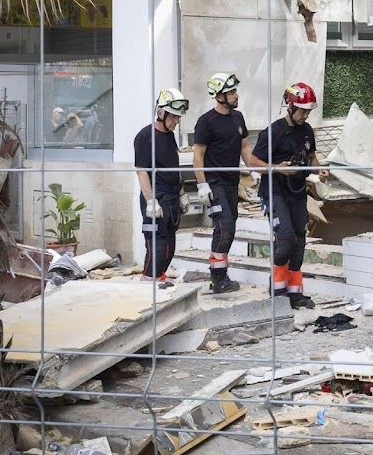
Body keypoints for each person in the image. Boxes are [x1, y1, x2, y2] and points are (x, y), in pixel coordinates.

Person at [252, 82, 329, 310]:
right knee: (285, 238)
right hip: (274, 191)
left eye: (308, 111)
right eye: (302, 110)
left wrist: (319, 169)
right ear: (290, 106)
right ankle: (277, 293)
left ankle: (295, 295)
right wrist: (278, 168)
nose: (306, 115)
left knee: (299, 239)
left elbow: (312, 157)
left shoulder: (306, 131)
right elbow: (254, 163)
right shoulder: (273, 132)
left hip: (297, 192)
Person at [192, 72, 269, 294]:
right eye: (231, 92)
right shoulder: (206, 122)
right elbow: (198, 155)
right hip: (214, 182)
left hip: (231, 182)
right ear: (219, 96)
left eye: (235, 91)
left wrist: (255, 170)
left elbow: (245, 148)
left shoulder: (238, 118)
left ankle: (219, 275)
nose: (236, 95)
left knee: (230, 227)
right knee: (224, 226)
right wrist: (202, 184)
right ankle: (217, 277)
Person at [134, 88, 190, 287]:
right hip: (156, 195)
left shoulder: (169, 136)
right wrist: (150, 201)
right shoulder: (145, 137)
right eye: (173, 117)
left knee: (169, 245)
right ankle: (148, 284)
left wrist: (182, 194)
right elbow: (142, 171)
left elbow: (174, 167)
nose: (176, 122)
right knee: (157, 244)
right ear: (161, 113)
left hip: (172, 196)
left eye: (178, 118)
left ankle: (160, 280)